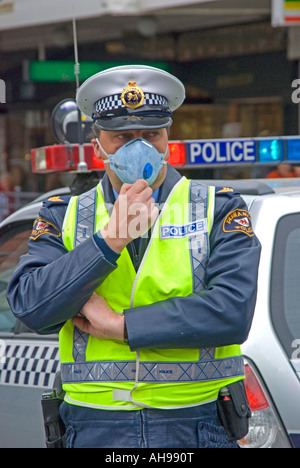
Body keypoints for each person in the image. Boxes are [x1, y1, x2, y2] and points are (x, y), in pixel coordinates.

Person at [6, 65, 261, 449]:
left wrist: (121, 326)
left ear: (168, 138)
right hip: (95, 426)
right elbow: (31, 307)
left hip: (196, 422)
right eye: (122, 136)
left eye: (151, 135)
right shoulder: (62, 215)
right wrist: (108, 242)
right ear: (98, 148)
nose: (139, 147)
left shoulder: (218, 208)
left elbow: (232, 311)